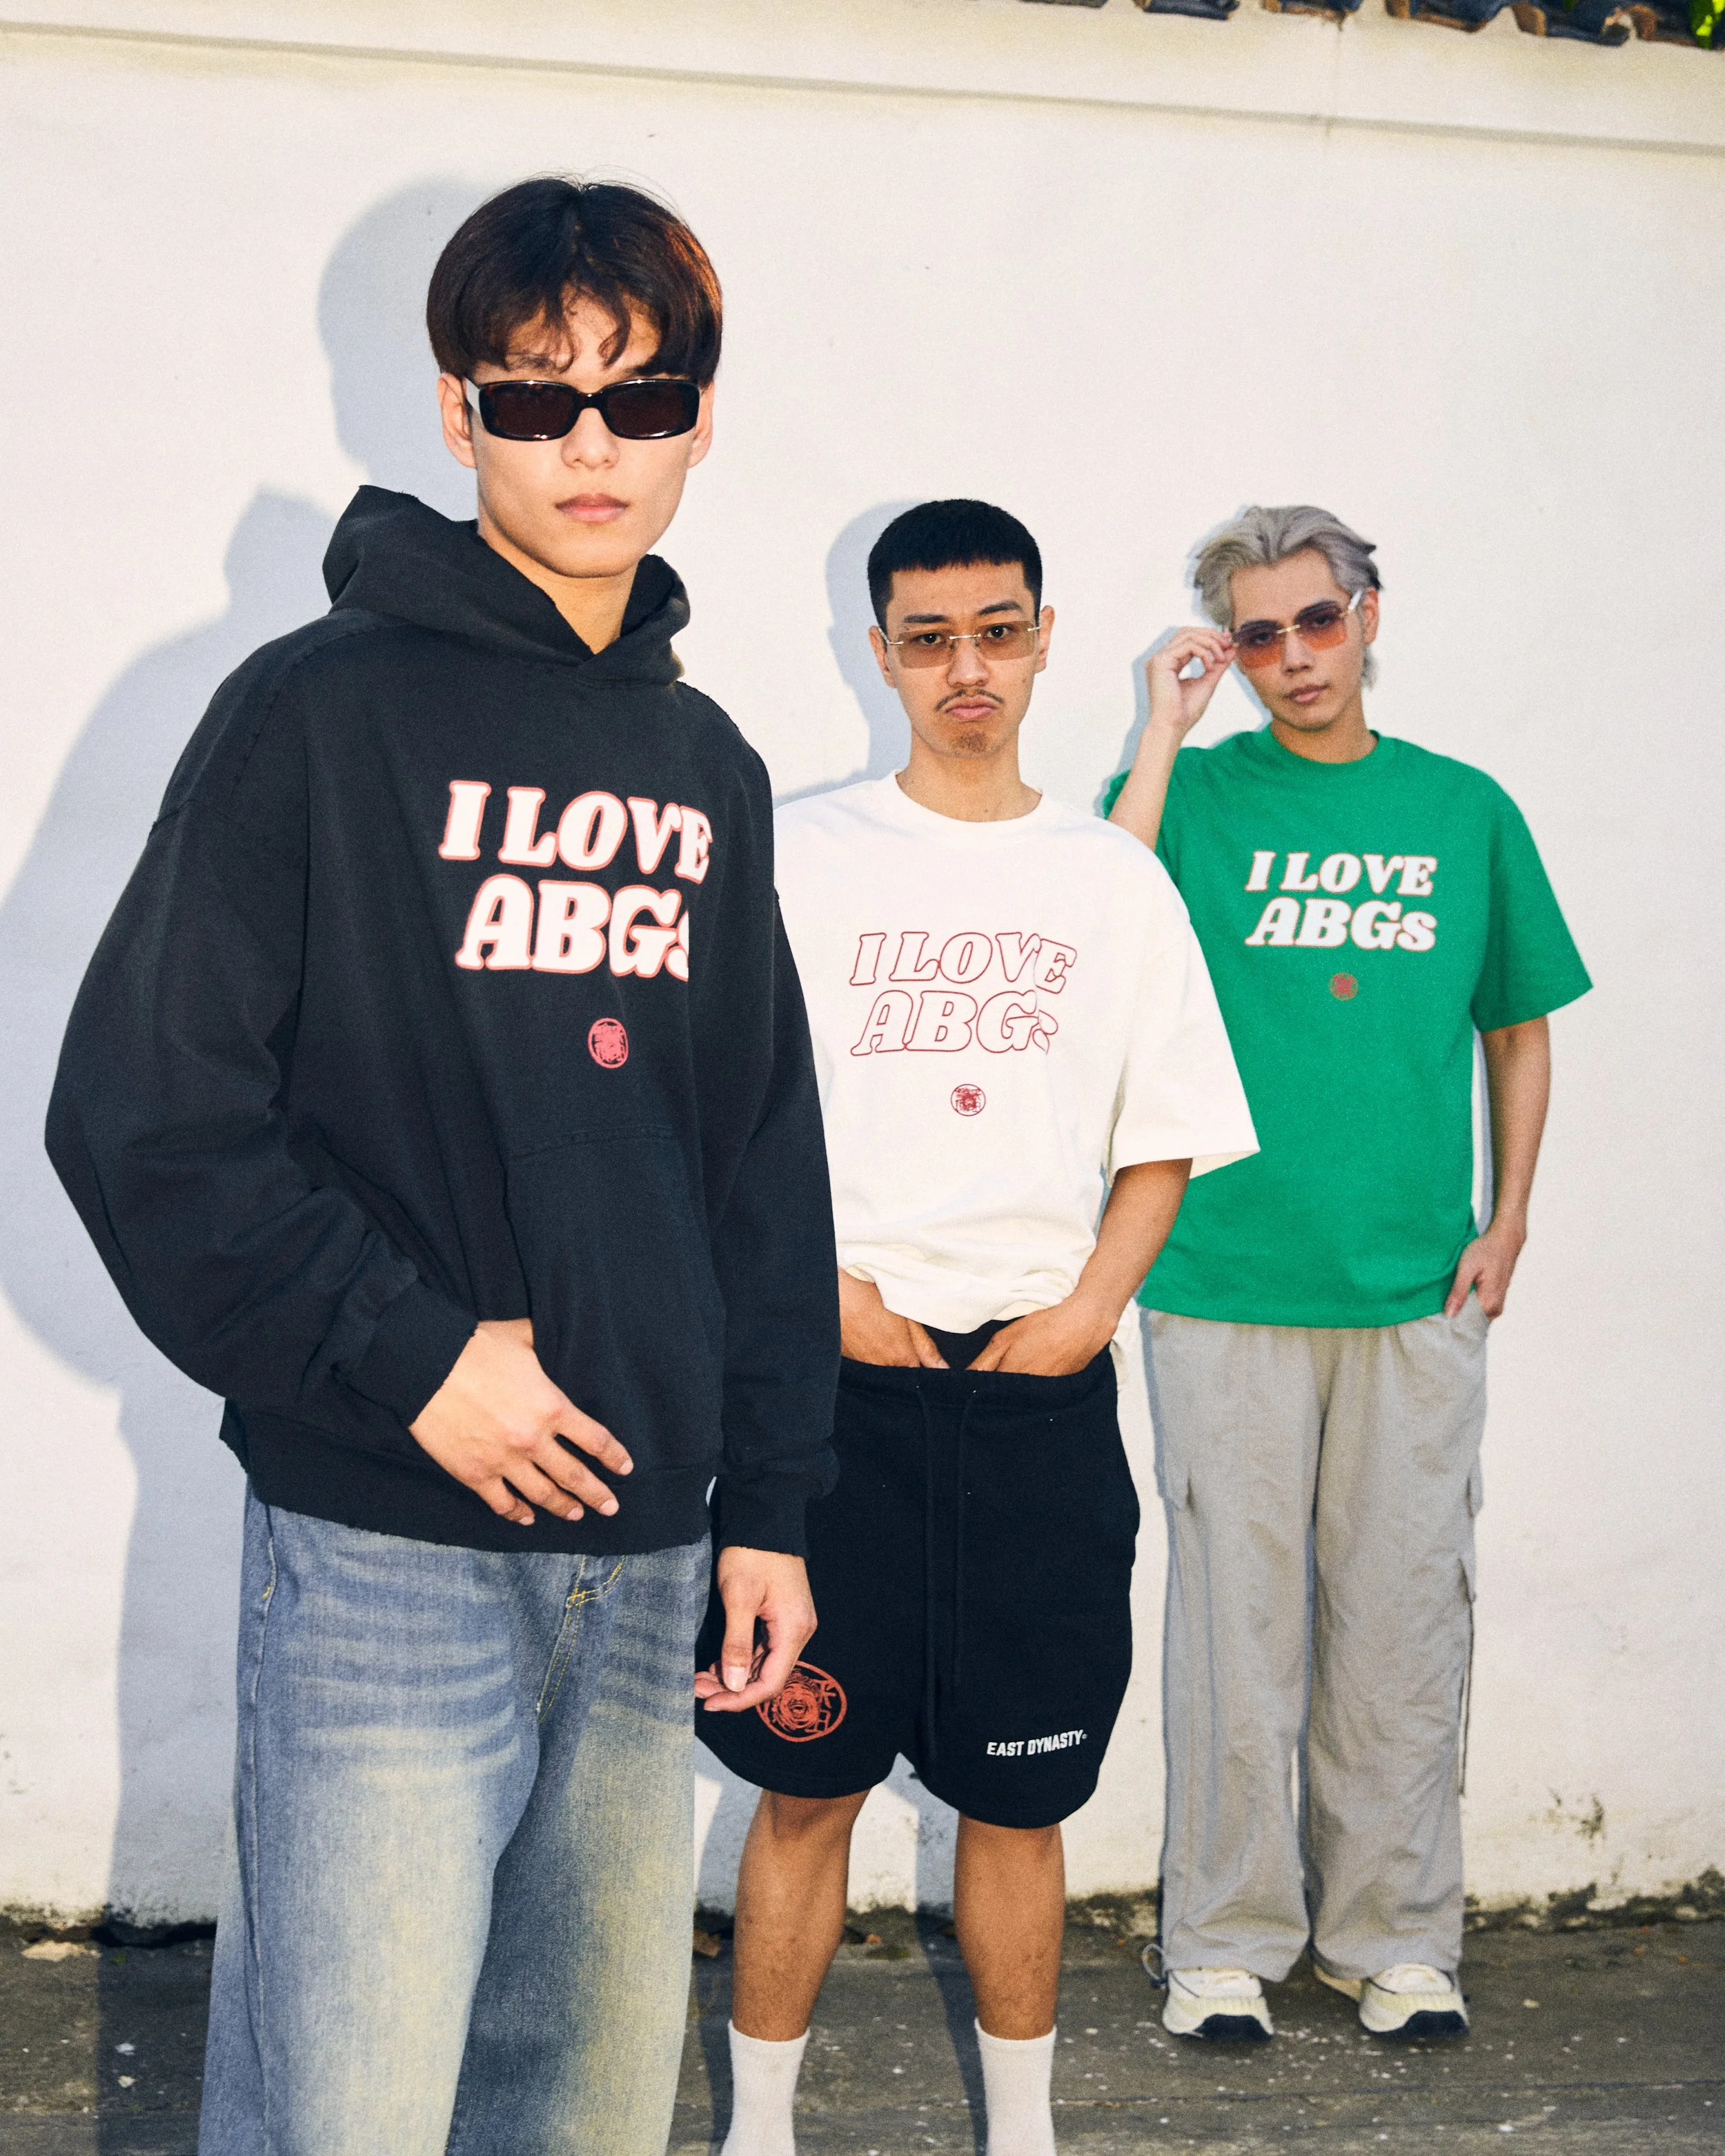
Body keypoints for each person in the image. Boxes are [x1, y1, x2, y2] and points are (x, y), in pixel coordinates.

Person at [46, 177, 839, 2155]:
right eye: (539, 397)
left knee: (576, 2117)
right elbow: (144, 1113)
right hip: (387, 1546)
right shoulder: (314, 713)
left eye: (642, 400)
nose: (592, 444)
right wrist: (411, 1358)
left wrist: (769, 1499)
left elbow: (759, 1156)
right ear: (455, 410)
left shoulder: (708, 767)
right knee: (352, 2112)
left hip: (648, 1558)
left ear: (702, 420)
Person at [698, 499, 1257, 2156]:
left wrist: (1086, 1310)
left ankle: (1024, 2134)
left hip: (1033, 1397)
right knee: (803, 1785)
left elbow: (1163, 1133)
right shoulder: (796, 853)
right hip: (832, 1402)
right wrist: (817, 1298)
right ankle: (755, 2133)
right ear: (878, 651)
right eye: (929, 637)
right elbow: (715, 1118)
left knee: (1020, 1799)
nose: (965, 667)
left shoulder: (1110, 881)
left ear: (1039, 640)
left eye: (995, 632)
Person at [1105, 505, 1591, 2044]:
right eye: (1258, 635)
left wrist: (1509, 1217)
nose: (1293, 657)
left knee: (1401, 1622)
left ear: (1368, 616)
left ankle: (1394, 1937)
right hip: (1223, 1276)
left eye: (1316, 621)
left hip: (1412, 1287)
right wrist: (1163, 729)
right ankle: (1222, 1942)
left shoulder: (1463, 808)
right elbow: (1097, 922)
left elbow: (1516, 1025)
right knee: (1232, 1631)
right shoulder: (1196, 796)